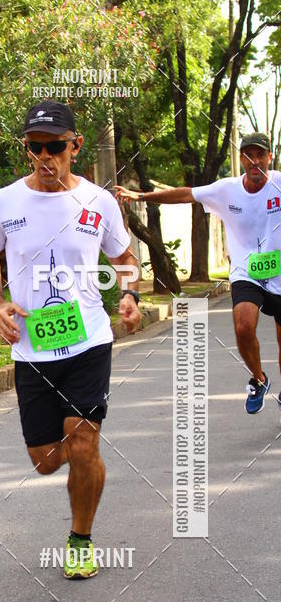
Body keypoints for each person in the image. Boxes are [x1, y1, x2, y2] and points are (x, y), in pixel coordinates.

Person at [0, 100, 141, 579]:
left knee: (83, 442)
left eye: (54, 146)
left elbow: (124, 258)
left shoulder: (98, 202)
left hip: (89, 341)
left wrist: (129, 294)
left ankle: (80, 539)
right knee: (46, 460)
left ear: (76, 146)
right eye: (35, 147)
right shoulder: (5, 203)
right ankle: (83, 464)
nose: (45, 156)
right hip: (32, 349)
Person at [115, 132, 281, 415]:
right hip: (247, 272)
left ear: (270, 158)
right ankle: (259, 379)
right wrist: (142, 195)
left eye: (260, 155)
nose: (255, 161)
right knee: (243, 325)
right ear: (241, 159)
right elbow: (185, 194)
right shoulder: (227, 189)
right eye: (249, 156)